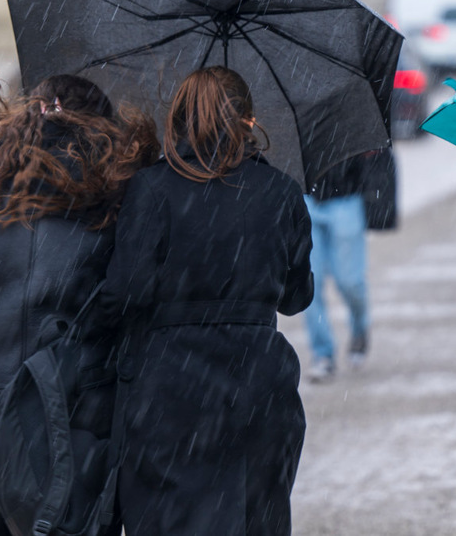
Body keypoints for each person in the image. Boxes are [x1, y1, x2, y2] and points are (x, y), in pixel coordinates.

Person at [0, 73, 159, 536]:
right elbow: (121, 294)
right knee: (71, 525)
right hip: (71, 391)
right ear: (100, 123)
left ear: (29, 110)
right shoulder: (115, 182)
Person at [101, 66, 313, 536]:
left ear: (176, 119)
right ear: (250, 122)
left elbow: (127, 291)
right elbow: (297, 297)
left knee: (169, 520)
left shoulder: (152, 188)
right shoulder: (281, 191)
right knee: (254, 517)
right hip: (259, 383)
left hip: (170, 388)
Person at [302, 147, 397, 383]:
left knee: (350, 281)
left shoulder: (352, 112)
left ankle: (359, 329)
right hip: (306, 200)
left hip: (346, 199)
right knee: (309, 284)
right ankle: (322, 354)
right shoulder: (294, 113)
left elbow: (379, 151)